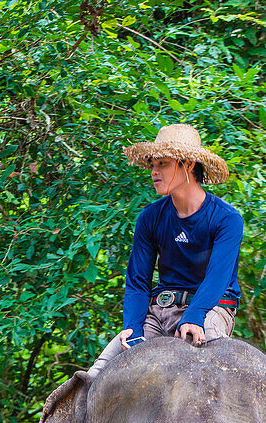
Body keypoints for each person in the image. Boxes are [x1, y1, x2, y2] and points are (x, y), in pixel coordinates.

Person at [89, 124, 243, 376]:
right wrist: (133, 328)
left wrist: (194, 316)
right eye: (152, 164)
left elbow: (218, 277)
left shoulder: (226, 218)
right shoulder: (150, 218)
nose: (153, 171)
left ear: (189, 164)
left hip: (211, 309)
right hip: (159, 310)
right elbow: (138, 281)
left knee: (213, 377)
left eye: (162, 163)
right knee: (96, 376)